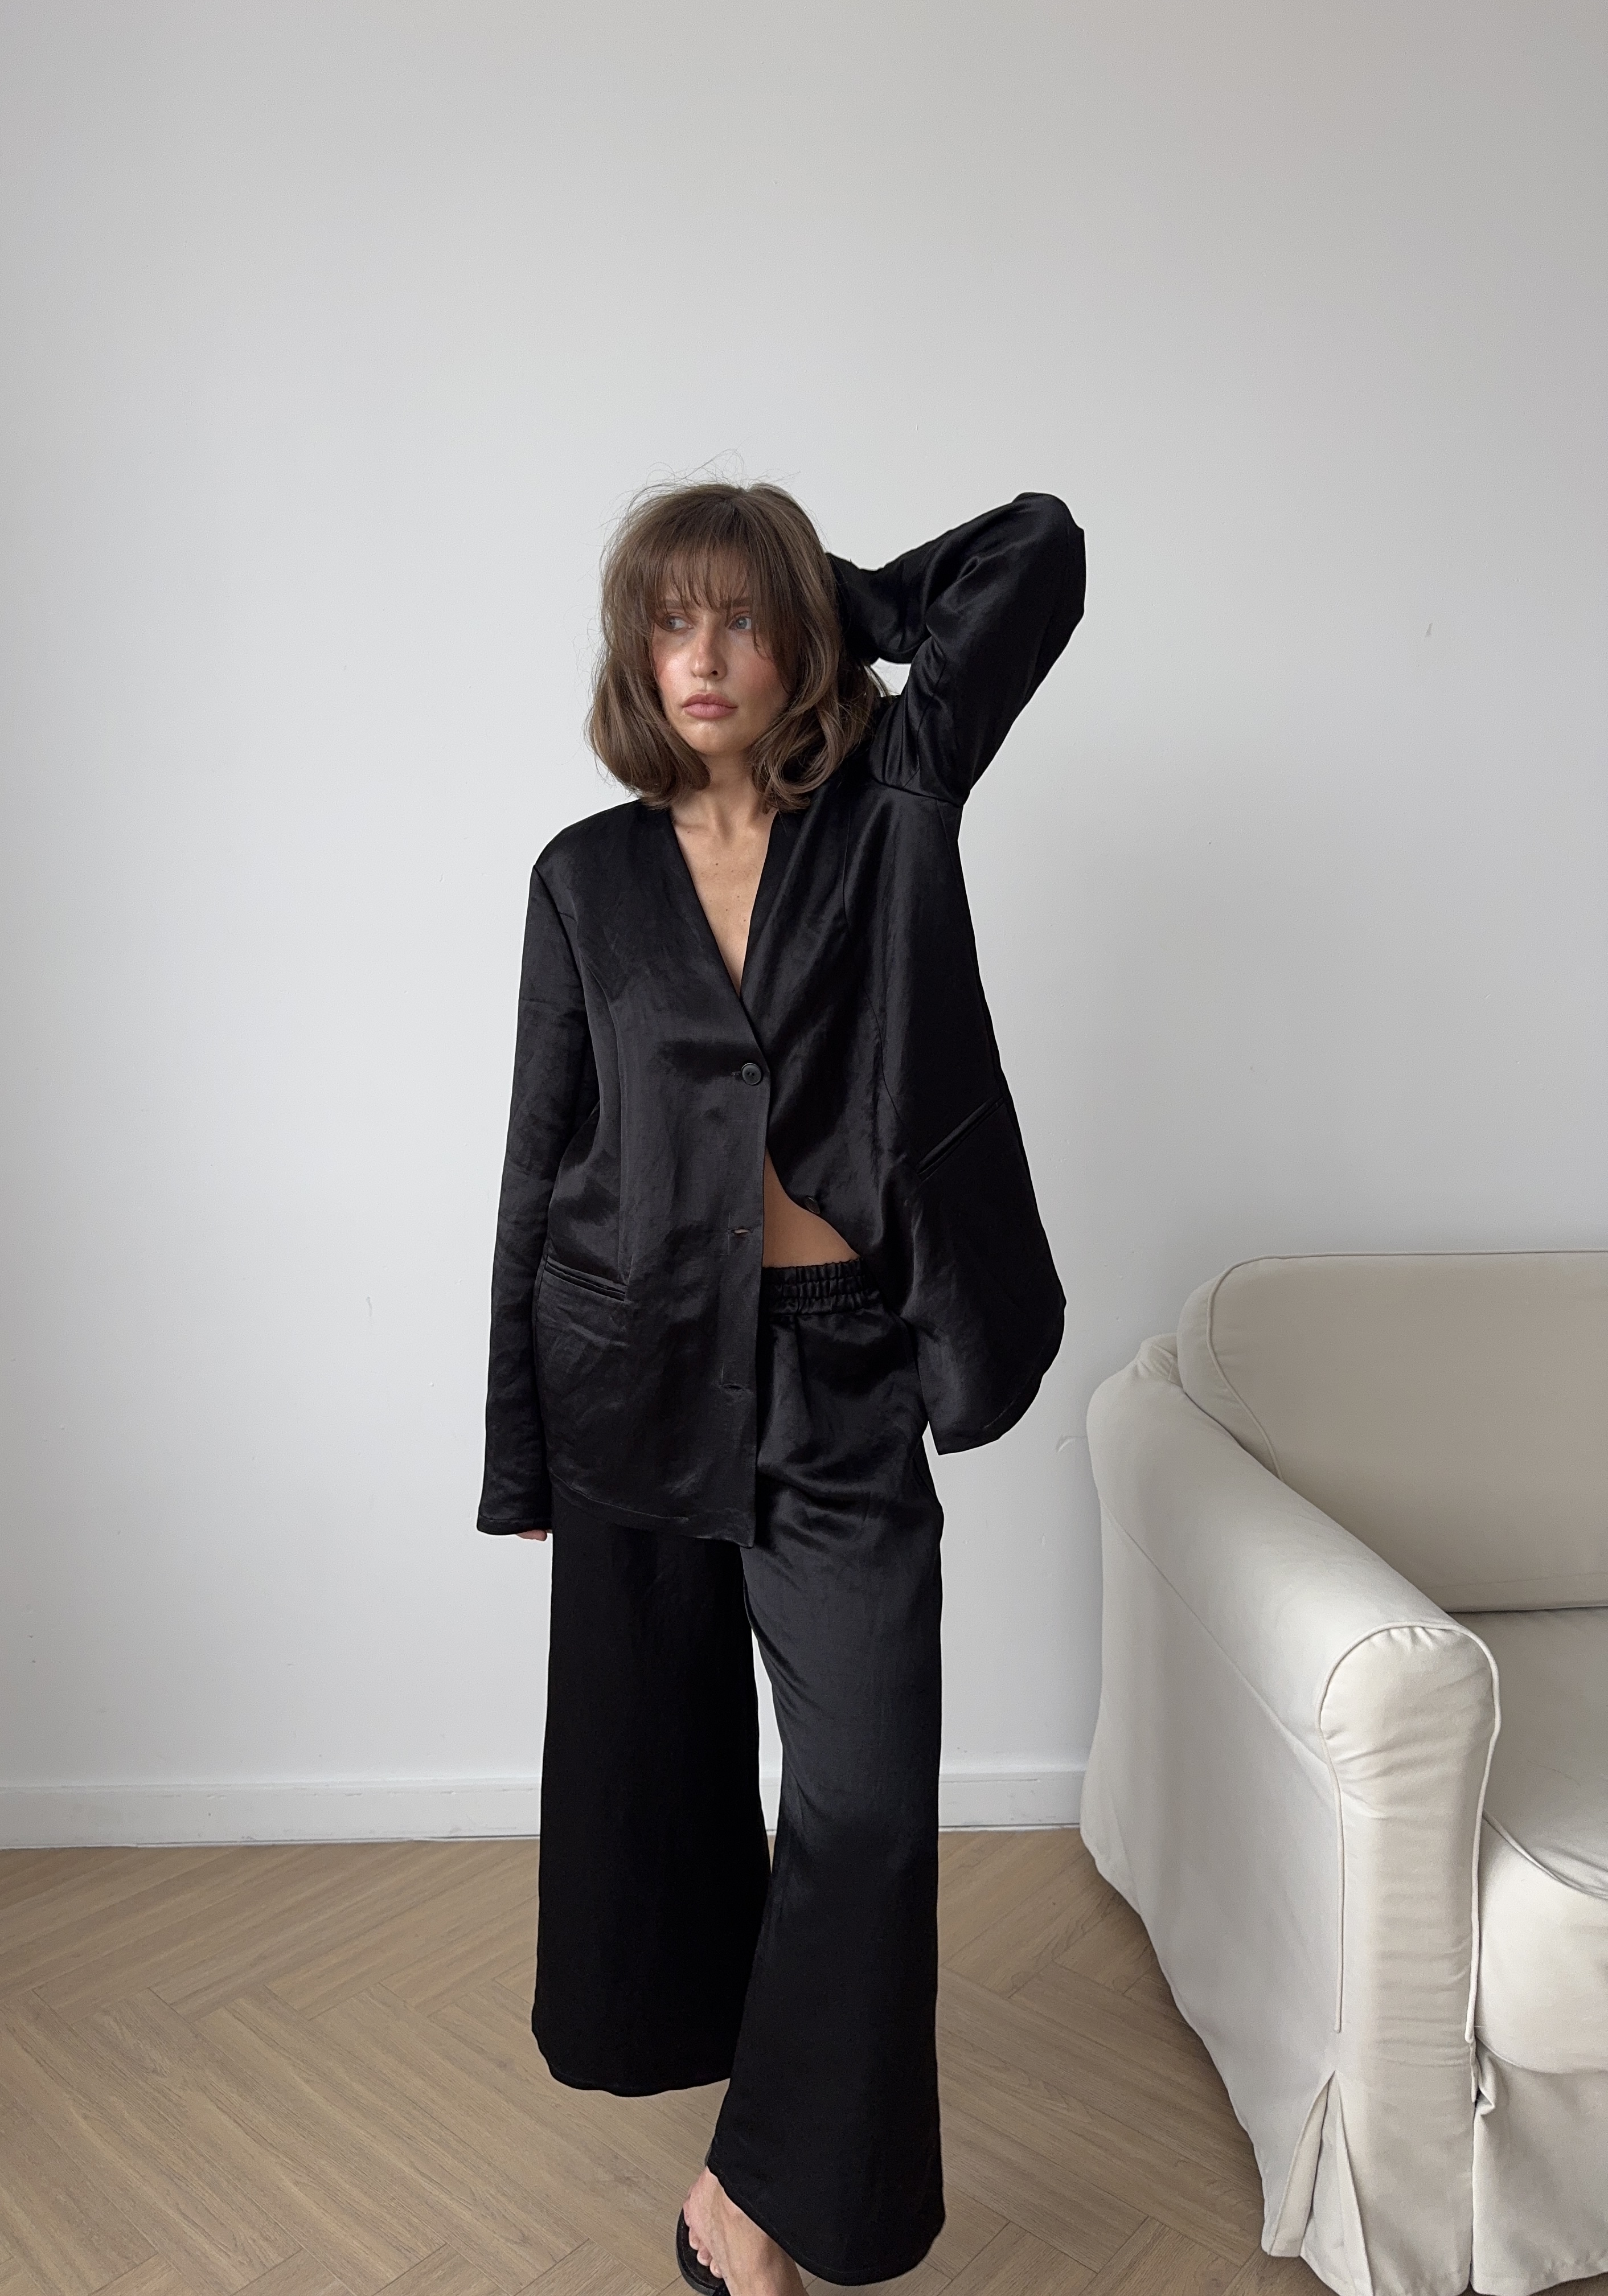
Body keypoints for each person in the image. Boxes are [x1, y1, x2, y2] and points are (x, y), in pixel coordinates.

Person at [478, 478, 1085, 2295]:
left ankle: (747, 2197)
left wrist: (825, 593)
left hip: (840, 1378)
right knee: (662, 1797)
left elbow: (1039, 553)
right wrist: (520, 1449)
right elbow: (541, 1159)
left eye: (740, 620)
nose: (705, 656)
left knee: (868, 1807)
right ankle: (752, 2151)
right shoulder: (584, 878)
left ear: (794, 640)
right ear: (632, 653)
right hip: (633, 1380)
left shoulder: (890, 807)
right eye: (672, 620)